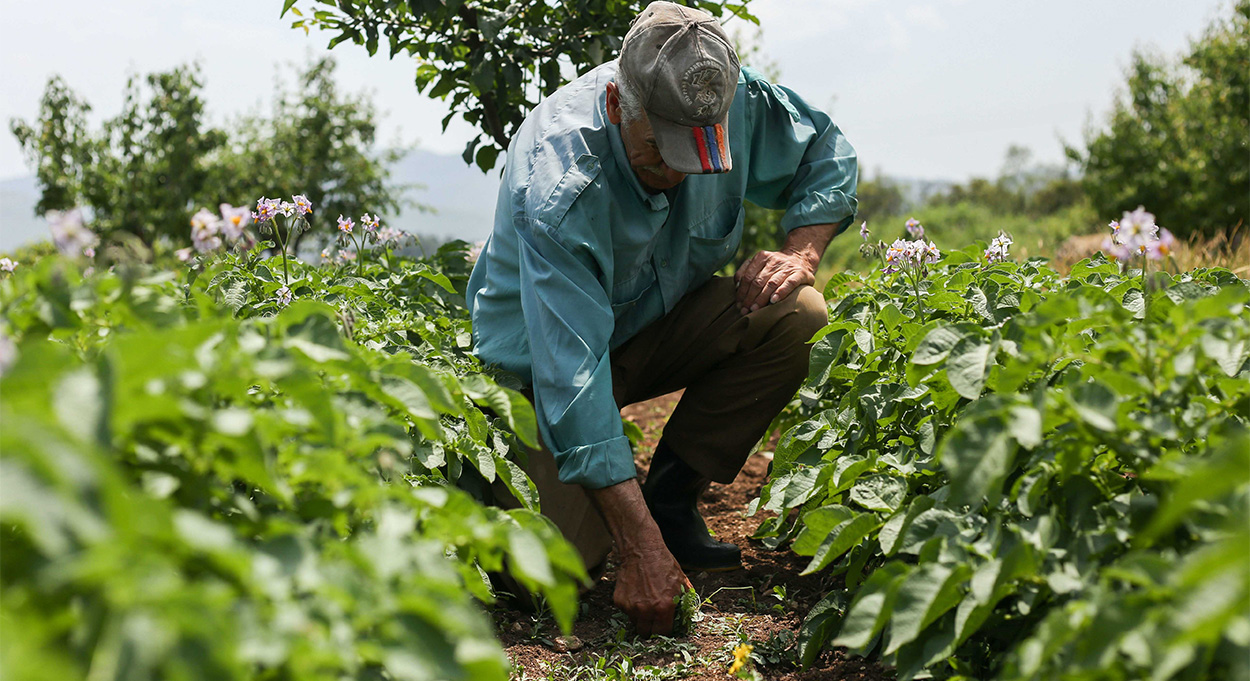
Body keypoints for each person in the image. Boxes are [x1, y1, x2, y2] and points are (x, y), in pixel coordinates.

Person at [467, 1, 857, 636]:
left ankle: (670, 499)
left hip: (649, 327)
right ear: (621, 105)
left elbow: (827, 153)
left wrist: (802, 252)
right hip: (542, 373)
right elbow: (571, 379)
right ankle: (621, 519)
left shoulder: (727, 98)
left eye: (699, 154)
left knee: (797, 312)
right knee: (550, 574)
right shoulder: (562, 183)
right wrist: (637, 549)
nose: (677, 174)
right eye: (658, 152)